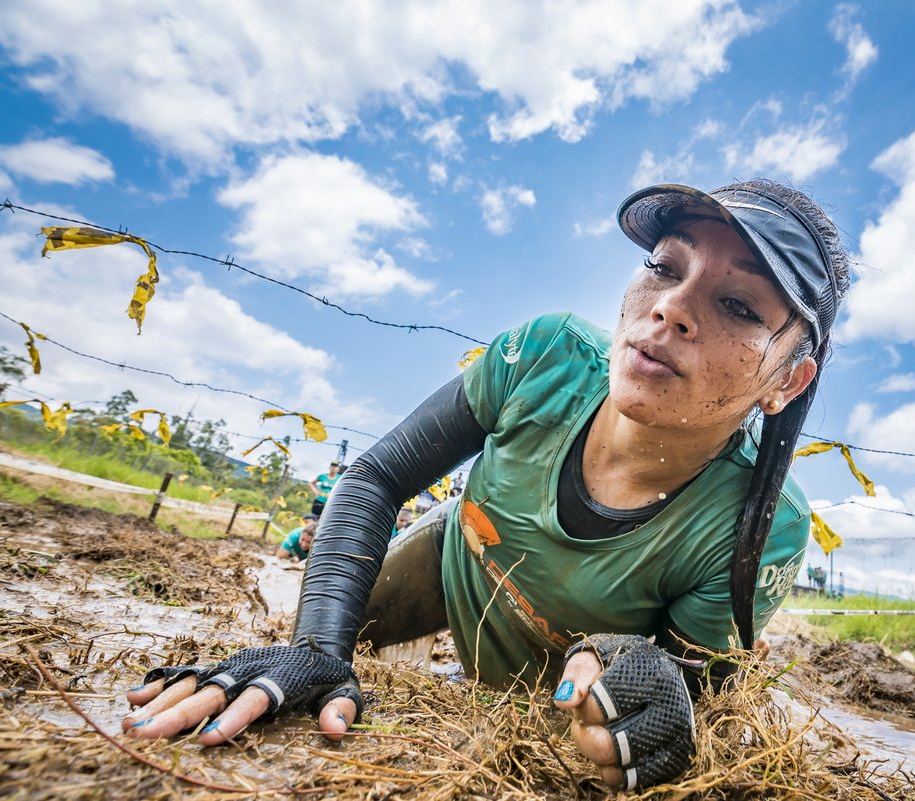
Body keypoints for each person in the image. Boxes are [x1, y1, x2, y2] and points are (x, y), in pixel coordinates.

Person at [123, 179, 850, 791]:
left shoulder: (762, 527)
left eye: (740, 306)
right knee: (324, 626)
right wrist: (317, 647)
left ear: (787, 379)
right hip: (459, 555)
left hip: (552, 679)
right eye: (664, 265)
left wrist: (659, 691)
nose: (670, 308)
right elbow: (376, 476)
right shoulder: (542, 357)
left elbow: (683, 701)